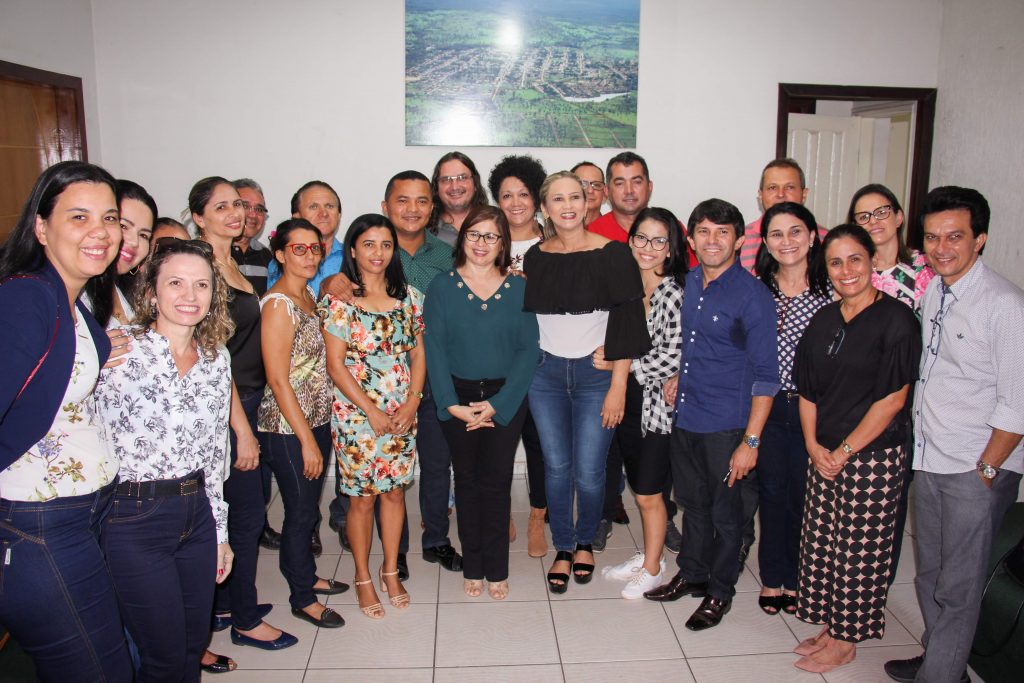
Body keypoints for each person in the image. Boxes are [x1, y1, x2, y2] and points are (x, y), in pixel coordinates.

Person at [0, 160, 133, 682]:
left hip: (78, 518)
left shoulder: (75, 299)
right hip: (38, 526)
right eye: (79, 217)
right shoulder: (25, 297)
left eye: (109, 218)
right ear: (40, 226)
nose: (100, 232)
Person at [884, 187, 1024, 683]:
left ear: (979, 239)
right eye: (932, 238)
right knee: (930, 575)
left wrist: (987, 470)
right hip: (930, 457)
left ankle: (940, 676)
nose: (942, 248)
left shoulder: (1004, 305)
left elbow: (1018, 401)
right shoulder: (934, 290)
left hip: (974, 466)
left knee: (960, 585)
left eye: (955, 237)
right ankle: (941, 659)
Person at [95, 236, 235, 681]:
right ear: (151, 291)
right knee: (163, 654)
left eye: (201, 286)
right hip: (133, 515)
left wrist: (221, 532)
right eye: (175, 283)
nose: (189, 296)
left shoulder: (217, 358)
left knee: (193, 644)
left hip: (196, 512)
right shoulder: (116, 350)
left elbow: (215, 453)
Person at [643, 199, 779, 632]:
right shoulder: (692, 283)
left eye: (723, 232)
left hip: (729, 426)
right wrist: (679, 377)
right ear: (691, 239)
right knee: (693, 507)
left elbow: (766, 375)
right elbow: (699, 347)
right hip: (686, 417)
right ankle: (693, 573)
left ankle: (720, 592)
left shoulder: (752, 294)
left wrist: (751, 442)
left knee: (728, 515)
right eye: (704, 231)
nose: (712, 240)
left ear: (740, 240)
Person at [791, 224, 921, 673]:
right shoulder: (824, 319)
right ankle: (833, 624)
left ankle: (847, 640)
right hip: (823, 451)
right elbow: (806, 390)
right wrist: (812, 444)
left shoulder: (897, 320)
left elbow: (893, 400)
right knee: (823, 543)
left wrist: (842, 451)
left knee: (860, 549)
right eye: (835, 262)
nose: (846, 270)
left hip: (873, 455)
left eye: (855, 259)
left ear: (871, 262)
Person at [522, 171, 650, 594]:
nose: (568, 205)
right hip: (546, 375)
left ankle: (584, 543)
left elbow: (628, 321)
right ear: (545, 208)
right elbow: (529, 319)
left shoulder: (613, 254)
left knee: (592, 471)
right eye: (557, 199)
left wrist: (618, 384)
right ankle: (562, 544)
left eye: (575, 196)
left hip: (598, 377)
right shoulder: (536, 257)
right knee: (557, 467)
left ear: (589, 201)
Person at [192, 176, 305, 651]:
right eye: (221, 206)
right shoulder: (199, 267)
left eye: (238, 205)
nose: (236, 213)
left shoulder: (235, 261)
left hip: (247, 399)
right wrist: (243, 429)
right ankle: (243, 619)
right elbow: (212, 355)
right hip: (228, 405)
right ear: (198, 216)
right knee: (241, 518)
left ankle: (226, 604)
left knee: (238, 513)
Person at [425, 205, 539, 600]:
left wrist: (499, 405)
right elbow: (434, 349)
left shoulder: (520, 287)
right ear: (462, 238)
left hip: (505, 399)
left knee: (497, 483)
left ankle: (497, 568)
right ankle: (473, 564)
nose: (481, 243)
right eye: (474, 234)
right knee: (468, 483)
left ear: (503, 243)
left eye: (491, 236)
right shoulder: (442, 286)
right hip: (457, 398)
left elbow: (529, 352)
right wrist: (450, 404)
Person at [322, 213, 424, 618]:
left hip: (401, 413)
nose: (378, 253)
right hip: (356, 417)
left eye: (385, 244)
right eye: (369, 244)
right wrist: (370, 411)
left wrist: (413, 401)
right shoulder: (340, 301)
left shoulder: (411, 298)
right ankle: (363, 575)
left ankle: (389, 569)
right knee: (362, 500)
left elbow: (418, 353)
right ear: (352, 250)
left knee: (395, 492)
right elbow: (335, 364)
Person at [257, 219, 345, 629]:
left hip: (315, 420)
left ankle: (307, 578)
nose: (310, 256)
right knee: (299, 513)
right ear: (280, 254)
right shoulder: (278, 304)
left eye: (315, 249)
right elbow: (277, 379)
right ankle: (302, 598)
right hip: (288, 429)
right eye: (299, 249)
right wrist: (307, 441)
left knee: (307, 510)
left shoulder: (306, 295)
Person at [595, 207, 687, 599]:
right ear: (630, 241)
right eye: (641, 238)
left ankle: (652, 567)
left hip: (657, 409)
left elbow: (672, 356)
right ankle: (650, 555)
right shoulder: (626, 286)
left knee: (650, 491)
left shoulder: (675, 292)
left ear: (671, 249)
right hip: (627, 400)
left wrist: (620, 361)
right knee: (637, 484)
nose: (648, 248)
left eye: (658, 241)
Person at [752, 202, 831, 615]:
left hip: (814, 409)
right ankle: (772, 578)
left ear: (812, 235)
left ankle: (801, 577)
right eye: (777, 234)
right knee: (771, 492)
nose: (787, 242)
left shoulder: (831, 290)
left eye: (795, 232)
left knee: (806, 496)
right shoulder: (757, 289)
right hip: (767, 405)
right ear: (765, 241)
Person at [487, 154, 549, 556]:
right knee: (501, 444)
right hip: (499, 357)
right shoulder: (488, 239)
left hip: (546, 357)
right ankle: (503, 510)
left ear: (537, 198)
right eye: (506, 195)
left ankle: (538, 516)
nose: (514, 203)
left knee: (541, 443)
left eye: (522, 194)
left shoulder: (554, 240)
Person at [81, 179, 157, 328]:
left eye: (143, 235)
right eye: (123, 226)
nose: (134, 242)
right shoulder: (72, 294)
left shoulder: (130, 292)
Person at [847, 183, 935, 311]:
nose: (873, 221)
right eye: (863, 217)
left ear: (899, 218)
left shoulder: (925, 265)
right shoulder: (848, 272)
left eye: (881, 212)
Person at [740, 158, 824, 273]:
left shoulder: (827, 239)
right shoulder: (740, 241)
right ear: (761, 195)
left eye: (789, 187)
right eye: (772, 188)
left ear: (804, 194)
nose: (780, 194)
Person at [267, 180, 344, 297]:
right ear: (296, 217)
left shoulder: (355, 257)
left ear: (339, 215)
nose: (323, 213)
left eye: (329, 206)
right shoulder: (284, 261)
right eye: (313, 206)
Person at [587, 151, 652, 243]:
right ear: (607, 191)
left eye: (637, 182)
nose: (629, 191)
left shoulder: (669, 228)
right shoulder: (591, 234)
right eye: (619, 184)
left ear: (649, 187)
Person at [431, 151, 489, 245]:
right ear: (437, 187)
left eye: (462, 178)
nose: (455, 187)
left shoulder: (494, 224)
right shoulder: (424, 230)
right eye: (446, 179)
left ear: (475, 184)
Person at [231, 178, 273, 297]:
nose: (253, 214)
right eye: (245, 206)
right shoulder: (211, 252)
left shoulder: (267, 257)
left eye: (259, 209)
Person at [571, 161, 606, 226]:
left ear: (604, 194)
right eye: (583, 184)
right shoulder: (552, 233)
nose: (590, 191)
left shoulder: (616, 233)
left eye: (596, 185)